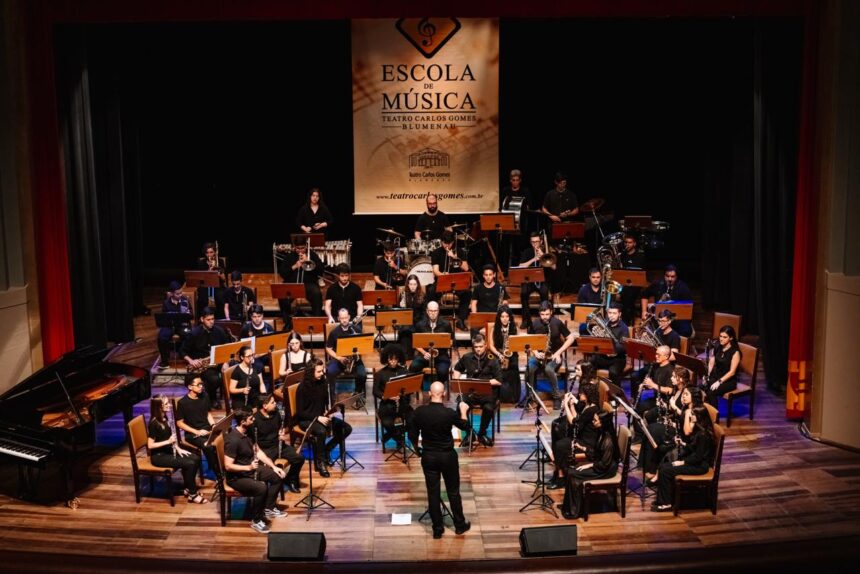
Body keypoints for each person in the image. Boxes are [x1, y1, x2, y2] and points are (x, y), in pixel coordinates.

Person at [408, 381, 473, 539]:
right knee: (453, 492)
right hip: (447, 456)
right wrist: (463, 410)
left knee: (433, 492)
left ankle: (437, 529)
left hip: (429, 456)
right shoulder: (449, 413)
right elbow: (466, 427)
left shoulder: (420, 412)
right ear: (443, 394)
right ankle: (459, 525)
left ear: (429, 394)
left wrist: (417, 449)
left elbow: (412, 434)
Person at [224, 406, 287, 532]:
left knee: (277, 476)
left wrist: (274, 467)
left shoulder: (249, 431)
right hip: (237, 477)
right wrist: (248, 467)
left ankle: (269, 508)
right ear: (243, 421)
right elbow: (228, 466)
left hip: (250, 469)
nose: (253, 420)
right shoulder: (233, 440)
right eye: (251, 418)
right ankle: (256, 520)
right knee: (261, 488)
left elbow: (257, 451)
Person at [294, 359, 353, 478]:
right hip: (307, 420)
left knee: (346, 428)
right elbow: (300, 412)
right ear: (311, 372)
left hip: (322, 417)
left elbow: (326, 402)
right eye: (319, 372)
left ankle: (327, 449)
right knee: (321, 431)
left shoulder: (323, 383)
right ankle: (320, 462)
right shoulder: (302, 388)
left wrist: (329, 412)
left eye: (323, 371)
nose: (322, 374)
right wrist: (317, 417)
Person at [652, 405, 716, 512]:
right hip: (695, 462)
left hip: (699, 466)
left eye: (693, 415)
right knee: (664, 466)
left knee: (666, 471)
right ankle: (663, 499)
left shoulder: (703, 435)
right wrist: (683, 444)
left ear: (699, 417)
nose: (691, 417)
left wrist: (682, 462)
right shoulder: (699, 431)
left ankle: (666, 503)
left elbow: (698, 457)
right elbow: (694, 448)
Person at [547, 367, 602, 490]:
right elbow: (577, 418)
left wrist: (566, 404)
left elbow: (573, 422)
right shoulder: (587, 406)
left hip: (586, 442)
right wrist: (572, 405)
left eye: (582, 393)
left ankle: (561, 476)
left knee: (560, 445)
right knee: (560, 441)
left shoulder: (592, 409)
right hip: (582, 436)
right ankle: (559, 472)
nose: (580, 394)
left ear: (588, 395)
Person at [560, 411, 621, 519]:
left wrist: (589, 465)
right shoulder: (601, 432)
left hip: (605, 470)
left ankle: (574, 510)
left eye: (595, 420)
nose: (593, 422)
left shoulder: (608, 441)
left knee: (573, 473)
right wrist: (583, 448)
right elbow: (597, 452)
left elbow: (604, 464)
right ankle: (570, 505)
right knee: (570, 470)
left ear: (602, 423)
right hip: (601, 464)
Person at [148, 397, 208, 504]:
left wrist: (178, 448)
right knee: (189, 463)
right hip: (159, 456)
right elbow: (150, 445)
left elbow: (170, 438)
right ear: (159, 407)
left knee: (196, 458)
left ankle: (188, 488)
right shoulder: (154, 423)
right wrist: (168, 442)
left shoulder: (165, 418)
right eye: (166, 404)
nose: (170, 405)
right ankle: (193, 494)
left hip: (169, 451)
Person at [640, 368, 695, 482]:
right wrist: (665, 405)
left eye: (674, 376)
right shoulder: (676, 390)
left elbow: (685, 415)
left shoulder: (687, 392)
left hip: (679, 429)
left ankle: (651, 469)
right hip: (673, 423)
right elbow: (672, 409)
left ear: (680, 379)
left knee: (653, 430)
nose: (671, 378)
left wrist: (674, 407)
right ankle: (647, 466)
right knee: (650, 429)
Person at [451, 334, 502, 447]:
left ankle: (481, 434)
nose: (478, 349)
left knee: (488, 408)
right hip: (471, 392)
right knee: (460, 405)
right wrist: (457, 380)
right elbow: (457, 369)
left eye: (480, 346)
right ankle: (469, 434)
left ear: (485, 345)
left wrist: (483, 384)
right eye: (476, 347)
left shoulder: (493, 360)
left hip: (488, 392)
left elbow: (499, 380)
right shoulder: (467, 357)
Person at [527, 301, 577, 408]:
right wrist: (535, 352)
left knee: (549, 369)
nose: (544, 317)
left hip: (554, 355)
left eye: (547, 314)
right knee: (530, 368)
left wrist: (559, 352)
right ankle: (531, 396)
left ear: (551, 313)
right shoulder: (534, 323)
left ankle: (556, 397)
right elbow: (528, 341)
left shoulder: (557, 323)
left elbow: (571, 338)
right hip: (539, 355)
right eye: (542, 315)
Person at [181, 307, 232, 408]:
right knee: (213, 379)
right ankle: (211, 399)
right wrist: (191, 361)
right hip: (203, 366)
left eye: (212, 319)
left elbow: (227, 348)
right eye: (208, 320)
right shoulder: (194, 333)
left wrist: (226, 363)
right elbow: (182, 351)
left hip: (218, 361)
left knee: (233, 369)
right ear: (202, 319)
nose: (211, 322)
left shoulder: (219, 331)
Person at [253, 394, 305, 493]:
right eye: (272, 402)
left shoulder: (276, 413)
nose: (275, 404)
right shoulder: (255, 420)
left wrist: (282, 431)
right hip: (265, 449)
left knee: (299, 458)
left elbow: (283, 427)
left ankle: (291, 480)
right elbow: (253, 442)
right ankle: (268, 492)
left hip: (278, 445)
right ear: (264, 406)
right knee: (268, 470)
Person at [275, 240, 325, 329]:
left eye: (302, 248)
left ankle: (316, 319)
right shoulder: (290, 256)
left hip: (308, 284)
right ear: (294, 247)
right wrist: (294, 266)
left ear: (306, 246)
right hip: (292, 283)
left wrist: (308, 261)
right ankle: (287, 321)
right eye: (298, 248)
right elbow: (282, 273)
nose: (300, 250)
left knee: (316, 293)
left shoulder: (312, 255)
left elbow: (321, 270)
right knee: (282, 295)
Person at [427, 230, 471, 330]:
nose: (447, 245)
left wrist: (454, 257)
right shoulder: (436, 253)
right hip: (442, 281)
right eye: (445, 243)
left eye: (450, 243)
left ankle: (461, 320)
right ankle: (434, 319)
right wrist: (443, 275)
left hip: (457, 282)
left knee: (467, 293)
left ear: (453, 242)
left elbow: (466, 268)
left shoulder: (460, 251)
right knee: (430, 292)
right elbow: (435, 271)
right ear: (441, 241)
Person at [175, 376, 217, 475]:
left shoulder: (205, 396)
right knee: (208, 446)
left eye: (201, 384)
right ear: (190, 387)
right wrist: (197, 432)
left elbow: (208, 414)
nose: (201, 386)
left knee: (224, 439)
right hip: (193, 434)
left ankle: (221, 466)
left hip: (206, 429)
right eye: (198, 385)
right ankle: (215, 472)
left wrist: (213, 425)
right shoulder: (183, 403)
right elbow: (179, 423)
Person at [325, 308, 367, 403]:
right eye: (342, 318)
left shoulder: (356, 329)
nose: (344, 320)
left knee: (362, 375)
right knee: (330, 372)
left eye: (346, 318)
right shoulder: (334, 332)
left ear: (349, 317)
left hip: (354, 359)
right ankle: (333, 398)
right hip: (340, 359)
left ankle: (357, 395)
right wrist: (339, 358)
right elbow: (328, 348)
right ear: (338, 318)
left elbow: (363, 345)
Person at [373, 344, 411, 448]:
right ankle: (399, 439)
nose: (393, 362)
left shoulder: (404, 371)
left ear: (399, 359)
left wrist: (402, 394)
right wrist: (388, 396)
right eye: (390, 359)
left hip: (402, 404)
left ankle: (388, 436)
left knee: (413, 420)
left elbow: (410, 389)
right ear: (386, 359)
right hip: (387, 406)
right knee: (388, 423)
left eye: (395, 359)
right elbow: (375, 391)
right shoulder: (380, 374)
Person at [640, 264, 694, 337]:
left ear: (676, 277)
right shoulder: (658, 284)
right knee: (648, 330)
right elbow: (644, 295)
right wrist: (644, 311)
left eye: (672, 277)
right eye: (667, 276)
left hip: (677, 319)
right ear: (664, 276)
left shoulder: (683, 287)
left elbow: (688, 308)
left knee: (686, 330)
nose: (670, 279)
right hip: (660, 318)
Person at [409, 301, 453, 383]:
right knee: (413, 367)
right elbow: (415, 343)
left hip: (441, 355)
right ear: (427, 311)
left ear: (438, 311)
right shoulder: (420, 324)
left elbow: (451, 341)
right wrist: (424, 352)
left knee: (443, 371)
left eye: (435, 311)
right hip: (424, 355)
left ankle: (439, 390)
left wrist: (441, 347)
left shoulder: (446, 324)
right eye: (431, 311)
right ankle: (416, 388)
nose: (433, 313)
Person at [587, 303, 629, 389]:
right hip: (603, 356)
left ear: (619, 314)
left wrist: (612, 348)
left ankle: (616, 396)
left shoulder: (624, 328)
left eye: (614, 313)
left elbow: (623, 346)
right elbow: (597, 342)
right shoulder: (604, 324)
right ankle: (590, 390)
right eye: (610, 313)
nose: (611, 316)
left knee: (613, 372)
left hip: (617, 358)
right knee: (588, 365)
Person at [517, 231, 552, 327]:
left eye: (537, 241)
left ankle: (544, 319)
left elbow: (554, 267)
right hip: (530, 281)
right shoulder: (527, 252)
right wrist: (534, 259)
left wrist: (544, 256)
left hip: (542, 281)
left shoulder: (547, 251)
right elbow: (520, 266)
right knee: (523, 293)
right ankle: (526, 320)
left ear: (541, 241)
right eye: (533, 242)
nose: (535, 244)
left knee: (544, 292)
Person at [631, 344, 675, 419]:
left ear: (666, 356)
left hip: (664, 402)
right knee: (636, 407)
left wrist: (653, 385)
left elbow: (669, 390)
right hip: (656, 399)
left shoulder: (670, 371)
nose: (656, 356)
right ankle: (639, 428)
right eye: (656, 354)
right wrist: (645, 385)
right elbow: (655, 385)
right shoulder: (656, 366)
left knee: (644, 412)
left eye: (658, 355)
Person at [156, 280, 192, 368]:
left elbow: (192, 315)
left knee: (188, 334)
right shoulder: (166, 303)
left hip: (182, 325)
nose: (180, 295)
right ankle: (165, 361)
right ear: (172, 293)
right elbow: (164, 318)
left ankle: (185, 356)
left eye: (181, 293)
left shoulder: (185, 300)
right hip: (170, 325)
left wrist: (188, 314)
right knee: (161, 336)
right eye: (177, 294)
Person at [488, 306, 520, 403]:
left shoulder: (514, 327)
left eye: (507, 316)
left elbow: (518, 343)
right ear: (499, 317)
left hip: (511, 353)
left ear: (510, 317)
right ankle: (498, 396)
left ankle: (513, 397)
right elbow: (490, 345)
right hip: (498, 353)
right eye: (502, 316)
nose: (505, 319)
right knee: (496, 369)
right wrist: (499, 354)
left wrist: (510, 348)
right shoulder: (495, 328)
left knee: (513, 367)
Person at [705, 325, 741, 408]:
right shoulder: (718, 346)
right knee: (704, 387)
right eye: (720, 336)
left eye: (725, 337)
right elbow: (712, 361)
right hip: (716, 376)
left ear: (731, 338)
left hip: (728, 381)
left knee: (711, 392)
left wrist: (719, 382)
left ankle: (714, 417)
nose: (721, 339)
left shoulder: (735, 352)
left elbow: (732, 372)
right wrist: (708, 374)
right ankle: (704, 413)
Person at [229, 345, 267, 411]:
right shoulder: (237, 371)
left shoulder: (256, 367)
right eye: (249, 356)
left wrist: (264, 397)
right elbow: (231, 389)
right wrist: (242, 390)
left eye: (252, 355)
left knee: (269, 409)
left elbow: (261, 384)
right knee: (250, 416)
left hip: (255, 397)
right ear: (242, 357)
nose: (252, 358)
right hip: (241, 400)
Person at [195, 242, 226, 318]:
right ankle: (202, 318)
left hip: (218, 286)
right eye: (207, 253)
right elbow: (201, 278)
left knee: (220, 298)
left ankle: (220, 319)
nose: (209, 255)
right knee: (202, 298)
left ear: (215, 252)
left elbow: (224, 279)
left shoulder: (220, 261)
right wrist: (209, 269)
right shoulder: (201, 263)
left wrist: (216, 270)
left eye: (211, 252)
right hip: (205, 286)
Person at [398, 274, 427, 354]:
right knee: (404, 330)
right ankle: (407, 353)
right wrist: (401, 306)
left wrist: (422, 323)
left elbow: (424, 312)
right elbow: (399, 313)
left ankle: (419, 350)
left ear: (417, 285)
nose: (413, 287)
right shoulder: (403, 295)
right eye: (411, 284)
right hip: (407, 322)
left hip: (419, 321)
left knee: (418, 328)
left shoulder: (422, 295)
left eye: (414, 284)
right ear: (408, 284)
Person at [576, 267, 603, 335]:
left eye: (598, 277)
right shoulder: (583, 290)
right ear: (589, 277)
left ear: (601, 277)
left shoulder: (605, 289)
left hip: (602, 319)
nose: (596, 279)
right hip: (588, 319)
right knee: (583, 328)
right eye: (593, 277)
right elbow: (581, 309)